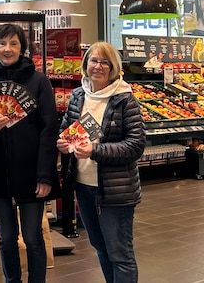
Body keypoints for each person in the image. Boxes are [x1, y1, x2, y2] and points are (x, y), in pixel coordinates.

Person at [0, 24, 59, 283]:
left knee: (32, 236)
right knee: (6, 237)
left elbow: (49, 129)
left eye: (14, 43)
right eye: (2, 43)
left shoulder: (39, 81)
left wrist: (45, 175)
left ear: (22, 47)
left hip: (31, 170)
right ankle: (12, 280)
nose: (8, 49)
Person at [56, 41, 145, 283]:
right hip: (83, 186)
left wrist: (95, 150)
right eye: (94, 60)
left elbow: (135, 146)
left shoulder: (125, 99)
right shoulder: (78, 95)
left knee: (120, 253)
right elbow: (66, 129)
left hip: (115, 189)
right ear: (86, 64)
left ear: (113, 67)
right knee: (100, 246)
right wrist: (63, 143)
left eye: (105, 62)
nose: (98, 66)